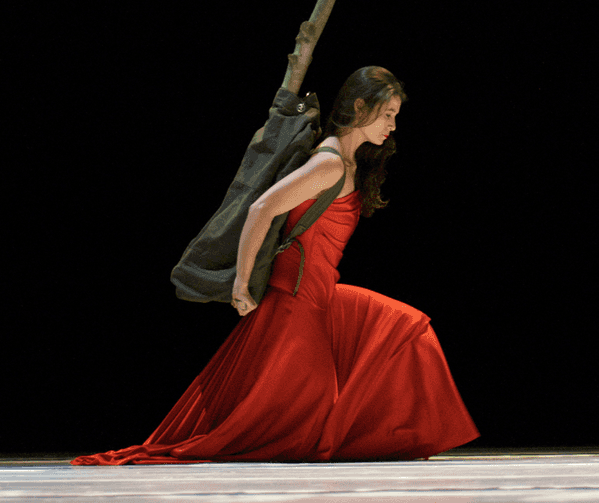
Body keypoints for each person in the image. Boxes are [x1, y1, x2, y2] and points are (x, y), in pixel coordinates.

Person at [72, 66, 479, 464]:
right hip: (297, 299)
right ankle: (378, 436)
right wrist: (241, 284)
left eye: (395, 116)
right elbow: (261, 208)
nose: (392, 125)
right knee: (307, 416)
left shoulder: (348, 162)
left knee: (405, 327)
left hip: (322, 294)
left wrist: (300, 55)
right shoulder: (330, 163)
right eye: (387, 114)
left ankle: (395, 434)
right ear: (360, 106)